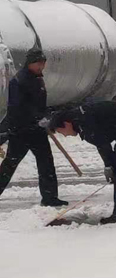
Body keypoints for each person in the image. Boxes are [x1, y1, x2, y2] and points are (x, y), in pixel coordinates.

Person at [49, 101, 116, 224]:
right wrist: (111, 165)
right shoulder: (79, 120)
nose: (64, 135)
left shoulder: (84, 123)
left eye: (60, 131)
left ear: (66, 124)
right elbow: (102, 143)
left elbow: (103, 144)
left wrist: (109, 166)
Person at [0, 48, 67, 207]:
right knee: (11, 163)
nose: (41, 67)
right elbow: (17, 107)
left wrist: (45, 116)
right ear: (30, 63)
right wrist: (37, 117)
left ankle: (50, 198)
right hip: (21, 130)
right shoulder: (19, 80)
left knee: (46, 163)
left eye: (43, 63)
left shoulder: (37, 79)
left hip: (37, 130)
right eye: (38, 63)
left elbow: (39, 104)